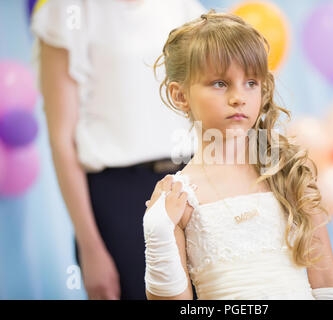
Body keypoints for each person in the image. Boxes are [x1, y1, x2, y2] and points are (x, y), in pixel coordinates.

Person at [142, 10, 333, 300]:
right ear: (180, 96)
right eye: (220, 83)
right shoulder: (179, 198)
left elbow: (327, 280)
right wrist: (159, 234)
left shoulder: (288, 173)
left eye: (251, 82)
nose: (239, 96)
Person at [30, 0, 206, 300]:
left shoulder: (184, 7)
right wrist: (90, 246)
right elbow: (62, 139)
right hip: (118, 199)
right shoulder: (66, 13)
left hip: (190, 181)